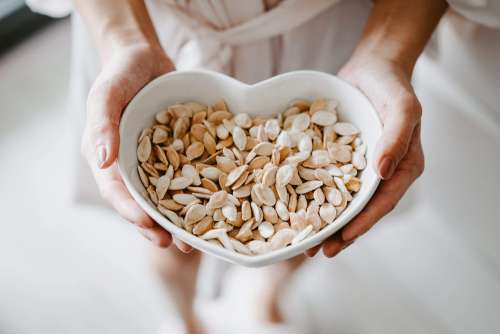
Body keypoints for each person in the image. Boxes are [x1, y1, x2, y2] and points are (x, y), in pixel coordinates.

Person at [25, 0, 500, 333]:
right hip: (153, 39)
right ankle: (187, 323)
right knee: (163, 238)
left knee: (304, 237)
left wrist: (386, 56)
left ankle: (264, 300)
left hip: (337, 48)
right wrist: (124, 40)